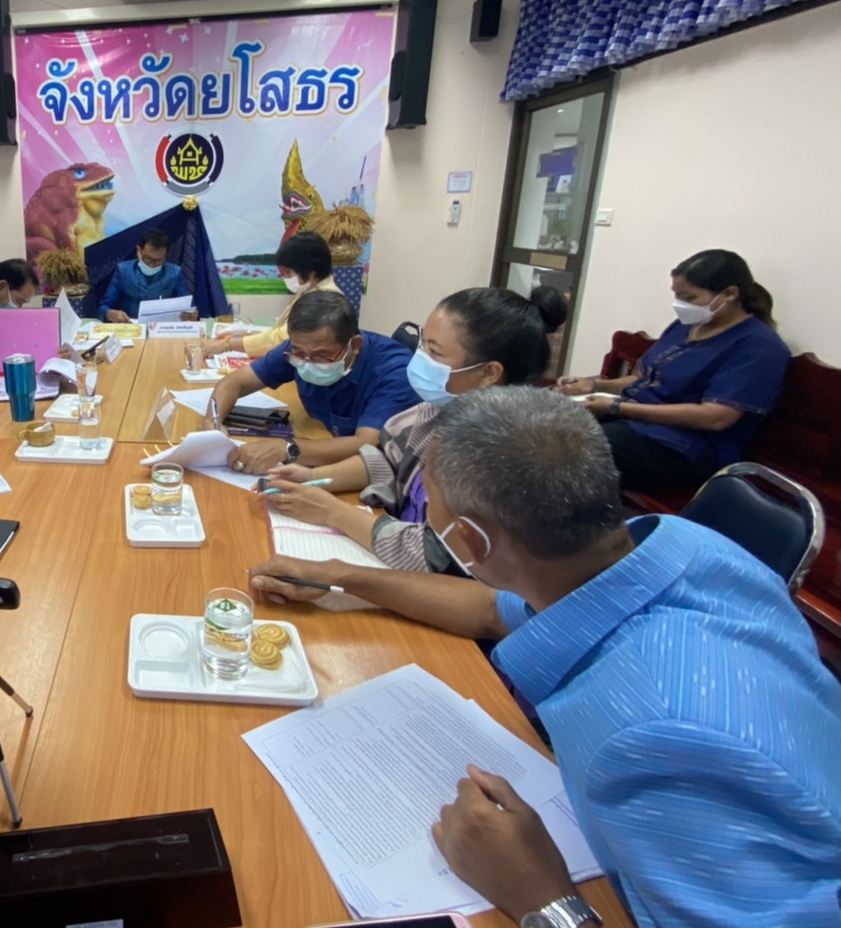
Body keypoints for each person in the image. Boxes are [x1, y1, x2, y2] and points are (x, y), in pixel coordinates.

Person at [249, 388, 841, 926]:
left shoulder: (656, 734)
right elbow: (489, 608)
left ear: (472, 543)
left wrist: (544, 902)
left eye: (434, 509)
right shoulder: (673, 545)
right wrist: (344, 577)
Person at [261, 286, 567, 572]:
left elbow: (437, 557)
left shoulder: (501, 455)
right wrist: (312, 478)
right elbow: (390, 459)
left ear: (489, 373)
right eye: (422, 343)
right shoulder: (436, 410)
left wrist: (334, 512)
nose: (419, 358)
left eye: (433, 352)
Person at [555, 249, 789, 490]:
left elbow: (715, 417)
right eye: (677, 296)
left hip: (685, 447)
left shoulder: (759, 347)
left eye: (689, 297)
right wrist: (594, 385)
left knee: (564, 448)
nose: (680, 306)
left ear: (729, 294)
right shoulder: (685, 326)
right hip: (635, 422)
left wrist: (619, 407)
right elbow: (643, 378)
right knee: (539, 421)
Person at [208, 290, 418, 474]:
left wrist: (286, 449)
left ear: (354, 345)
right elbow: (235, 382)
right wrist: (212, 422)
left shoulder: (394, 372)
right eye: (299, 353)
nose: (307, 362)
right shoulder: (300, 348)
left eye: (321, 356)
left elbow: (366, 444)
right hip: (321, 442)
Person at [204, 232, 342, 359]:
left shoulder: (323, 300)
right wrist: (247, 333)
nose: (286, 278)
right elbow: (281, 331)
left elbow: (284, 340)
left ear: (310, 270)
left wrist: (227, 345)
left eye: (289, 272)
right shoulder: (310, 289)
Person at [98, 228, 184, 322]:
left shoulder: (175, 273)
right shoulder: (123, 270)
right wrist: (110, 314)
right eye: (147, 259)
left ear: (166, 256)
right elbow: (103, 307)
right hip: (129, 327)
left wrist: (193, 314)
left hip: (161, 329)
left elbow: (188, 305)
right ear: (138, 251)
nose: (152, 265)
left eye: (158, 260)